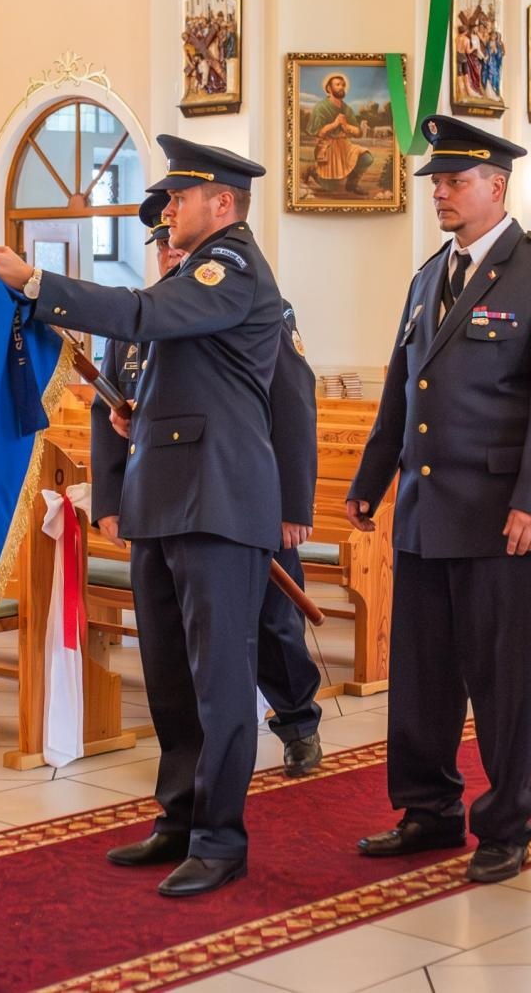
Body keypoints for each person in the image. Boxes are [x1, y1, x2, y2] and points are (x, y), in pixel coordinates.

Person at [0, 136, 282, 897]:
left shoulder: (232, 266)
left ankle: (222, 841)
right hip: (166, 500)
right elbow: (174, 373)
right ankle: (179, 818)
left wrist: (37, 281)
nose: (169, 209)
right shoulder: (198, 277)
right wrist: (136, 420)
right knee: (172, 682)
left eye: (180, 198)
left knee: (219, 684)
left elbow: (145, 314)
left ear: (221, 204)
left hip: (218, 502)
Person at [346, 115, 531, 884]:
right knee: (420, 671)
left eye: (455, 182)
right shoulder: (431, 276)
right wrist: (370, 480)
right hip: (427, 509)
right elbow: (403, 388)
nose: (442, 195)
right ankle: (428, 809)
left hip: (501, 518)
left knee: (499, 678)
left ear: (498, 185)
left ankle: (505, 824)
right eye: (437, 184)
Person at [90, 191, 325, 780]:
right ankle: (195, 770)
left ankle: (298, 720)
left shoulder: (255, 305)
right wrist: (110, 499)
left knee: (273, 621)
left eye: (174, 247)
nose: (169, 258)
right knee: (186, 642)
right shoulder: (140, 321)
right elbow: (110, 410)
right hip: (168, 499)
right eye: (161, 252)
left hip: (244, 493)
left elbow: (292, 404)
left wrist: (293, 504)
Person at [305, 73, 375, 197]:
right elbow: (317, 132)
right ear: (329, 88)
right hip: (327, 147)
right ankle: (313, 171)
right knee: (331, 188)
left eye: (343, 85)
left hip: (344, 145)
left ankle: (352, 184)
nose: (341, 87)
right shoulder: (321, 107)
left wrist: (347, 126)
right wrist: (334, 124)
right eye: (337, 85)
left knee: (366, 158)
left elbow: (358, 132)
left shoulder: (347, 109)